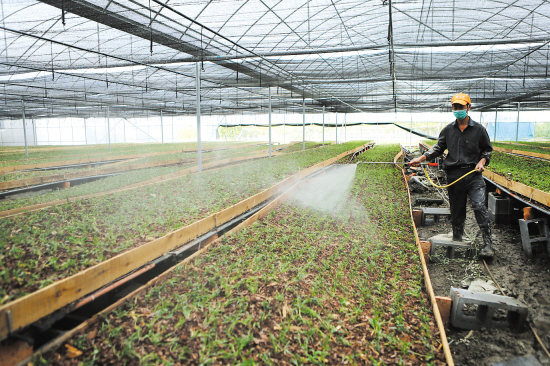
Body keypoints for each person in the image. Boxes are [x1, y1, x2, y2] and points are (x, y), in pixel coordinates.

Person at [409, 93, 494, 258]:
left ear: (468, 107)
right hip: (454, 175)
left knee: (478, 205)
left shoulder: (479, 130)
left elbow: (487, 150)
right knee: (456, 209)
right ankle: (457, 237)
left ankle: (488, 244)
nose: (458, 110)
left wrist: (482, 161)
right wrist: (421, 158)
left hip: (473, 174)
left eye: (461, 107)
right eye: (455, 107)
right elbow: (438, 148)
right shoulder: (448, 130)